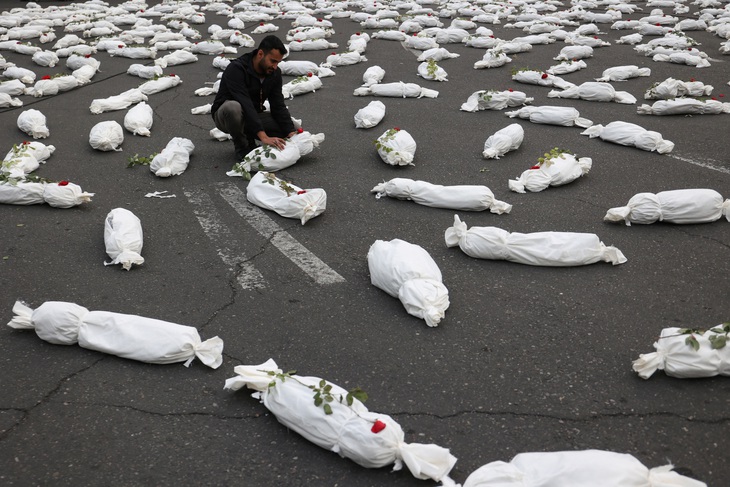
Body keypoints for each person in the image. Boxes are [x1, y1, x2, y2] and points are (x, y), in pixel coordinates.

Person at [212, 35, 297, 161]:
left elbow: (278, 104)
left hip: (254, 115)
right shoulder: (237, 69)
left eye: (278, 62)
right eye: (273, 61)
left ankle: (250, 134)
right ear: (260, 54)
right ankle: (243, 146)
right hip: (227, 116)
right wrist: (263, 136)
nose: (275, 66)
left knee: (293, 127)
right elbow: (244, 103)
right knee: (233, 107)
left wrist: (290, 132)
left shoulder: (274, 73)